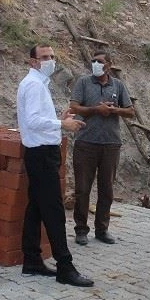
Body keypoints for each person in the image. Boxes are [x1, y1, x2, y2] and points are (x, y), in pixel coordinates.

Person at [17, 44, 94, 287]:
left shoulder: (38, 84)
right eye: (44, 57)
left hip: (40, 152)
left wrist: (58, 120)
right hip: (41, 154)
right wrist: (62, 126)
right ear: (32, 61)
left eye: (52, 56)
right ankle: (65, 267)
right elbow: (32, 120)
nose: (50, 61)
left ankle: (31, 260)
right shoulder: (33, 85)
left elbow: (38, 119)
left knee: (36, 208)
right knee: (53, 210)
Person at [69, 51, 134, 245]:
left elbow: (130, 111)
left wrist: (114, 110)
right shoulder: (83, 82)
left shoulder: (118, 85)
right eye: (94, 61)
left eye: (100, 61)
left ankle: (102, 229)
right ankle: (81, 230)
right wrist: (96, 110)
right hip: (86, 142)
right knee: (82, 188)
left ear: (109, 65)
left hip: (110, 144)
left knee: (106, 189)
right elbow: (74, 107)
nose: (96, 64)